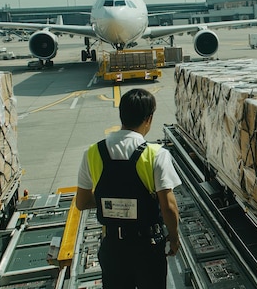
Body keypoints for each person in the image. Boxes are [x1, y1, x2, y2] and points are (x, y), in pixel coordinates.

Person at [76, 88, 181, 289]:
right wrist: (174, 237)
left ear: (121, 114)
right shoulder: (156, 154)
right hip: (147, 248)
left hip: (113, 247)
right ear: (149, 118)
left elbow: (81, 203)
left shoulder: (91, 153)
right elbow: (168, 207)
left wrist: (112, 202)